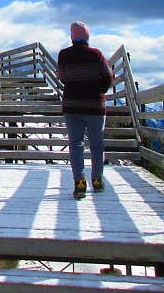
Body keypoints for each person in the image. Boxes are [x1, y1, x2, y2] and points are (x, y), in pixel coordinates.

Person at [56, 21, 114, 199]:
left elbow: (62, 77)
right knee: (97, 145)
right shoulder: (96, 55)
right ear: (87, 37)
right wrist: (98, 90)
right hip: (95, 106)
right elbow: (108, 77)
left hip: (72, 106)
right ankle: (97, 180)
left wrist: (75, 85)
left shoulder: (63, 55)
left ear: (72, 37)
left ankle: (79, 183)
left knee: (76, 145)